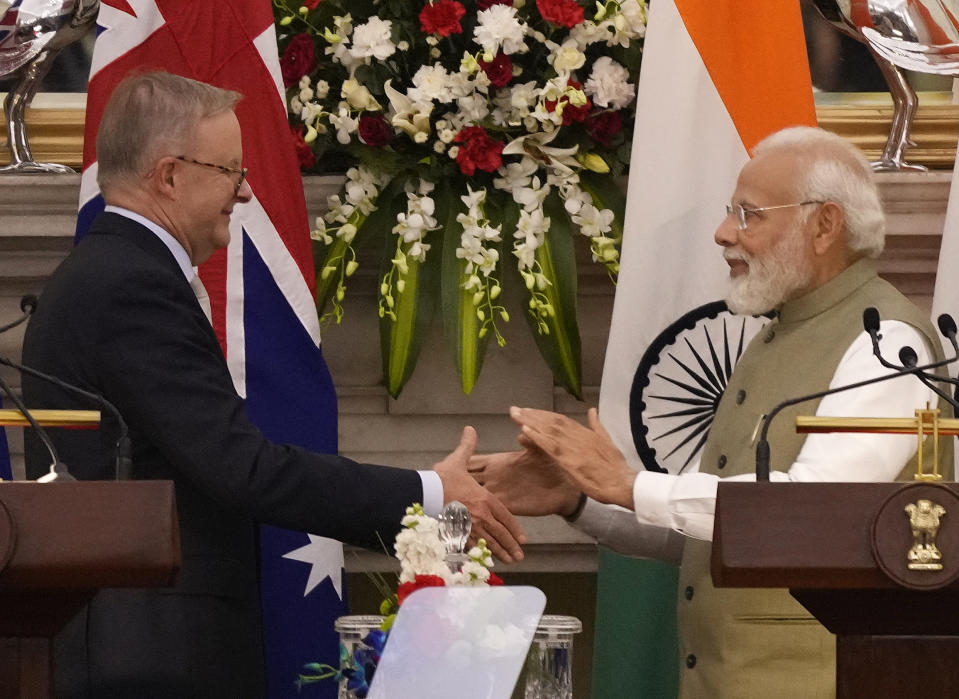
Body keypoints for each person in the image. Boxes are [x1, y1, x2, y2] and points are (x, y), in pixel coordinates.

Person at [21, 71, 525, 698]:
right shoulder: (130, 284)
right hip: (150, 657)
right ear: (170, 175)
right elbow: (243, 469)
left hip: (139, 643)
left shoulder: (110, 272)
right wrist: (426, 490)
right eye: (231, 172)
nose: (246, 192)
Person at [471, 126, 953, 698]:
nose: (725, 233)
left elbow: (812, 514)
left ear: (824, 225)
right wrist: (580, 497)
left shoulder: (887, 344)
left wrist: (627, 484)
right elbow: (719, 534)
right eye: (731, 213)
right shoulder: (778, 335)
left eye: (750, 215)